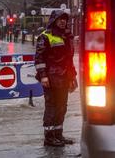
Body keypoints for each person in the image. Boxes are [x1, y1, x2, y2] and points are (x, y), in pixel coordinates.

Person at [34, 10, 78, 147]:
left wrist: (73, 76)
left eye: (65, 19)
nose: (63, 21)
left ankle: (58, 134)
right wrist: (43, 76)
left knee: (61, 107)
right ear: (54, 20)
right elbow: (39, 58)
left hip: (64, 77)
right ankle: (49, 137)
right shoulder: (45, 37)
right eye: (60, 19)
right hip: (51, 78)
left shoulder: (67, 36)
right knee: (52, 107)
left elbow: (69, 60)